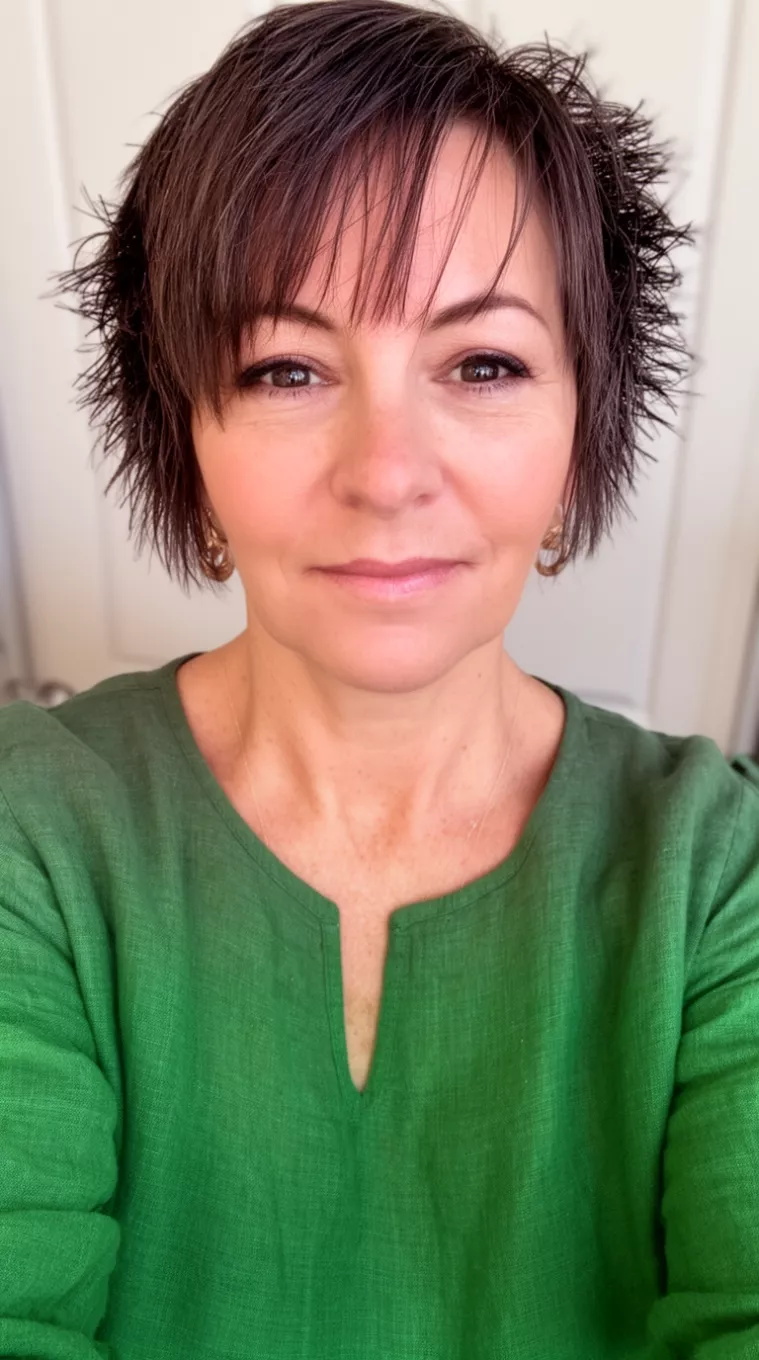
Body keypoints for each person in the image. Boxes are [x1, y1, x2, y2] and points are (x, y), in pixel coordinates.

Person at [1, 0, 758, 1354]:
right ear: (188, 435)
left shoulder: (717, 875)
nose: (386, 471)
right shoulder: (29, 838)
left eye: (482, 362)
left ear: (580, 431)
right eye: (286, 367)